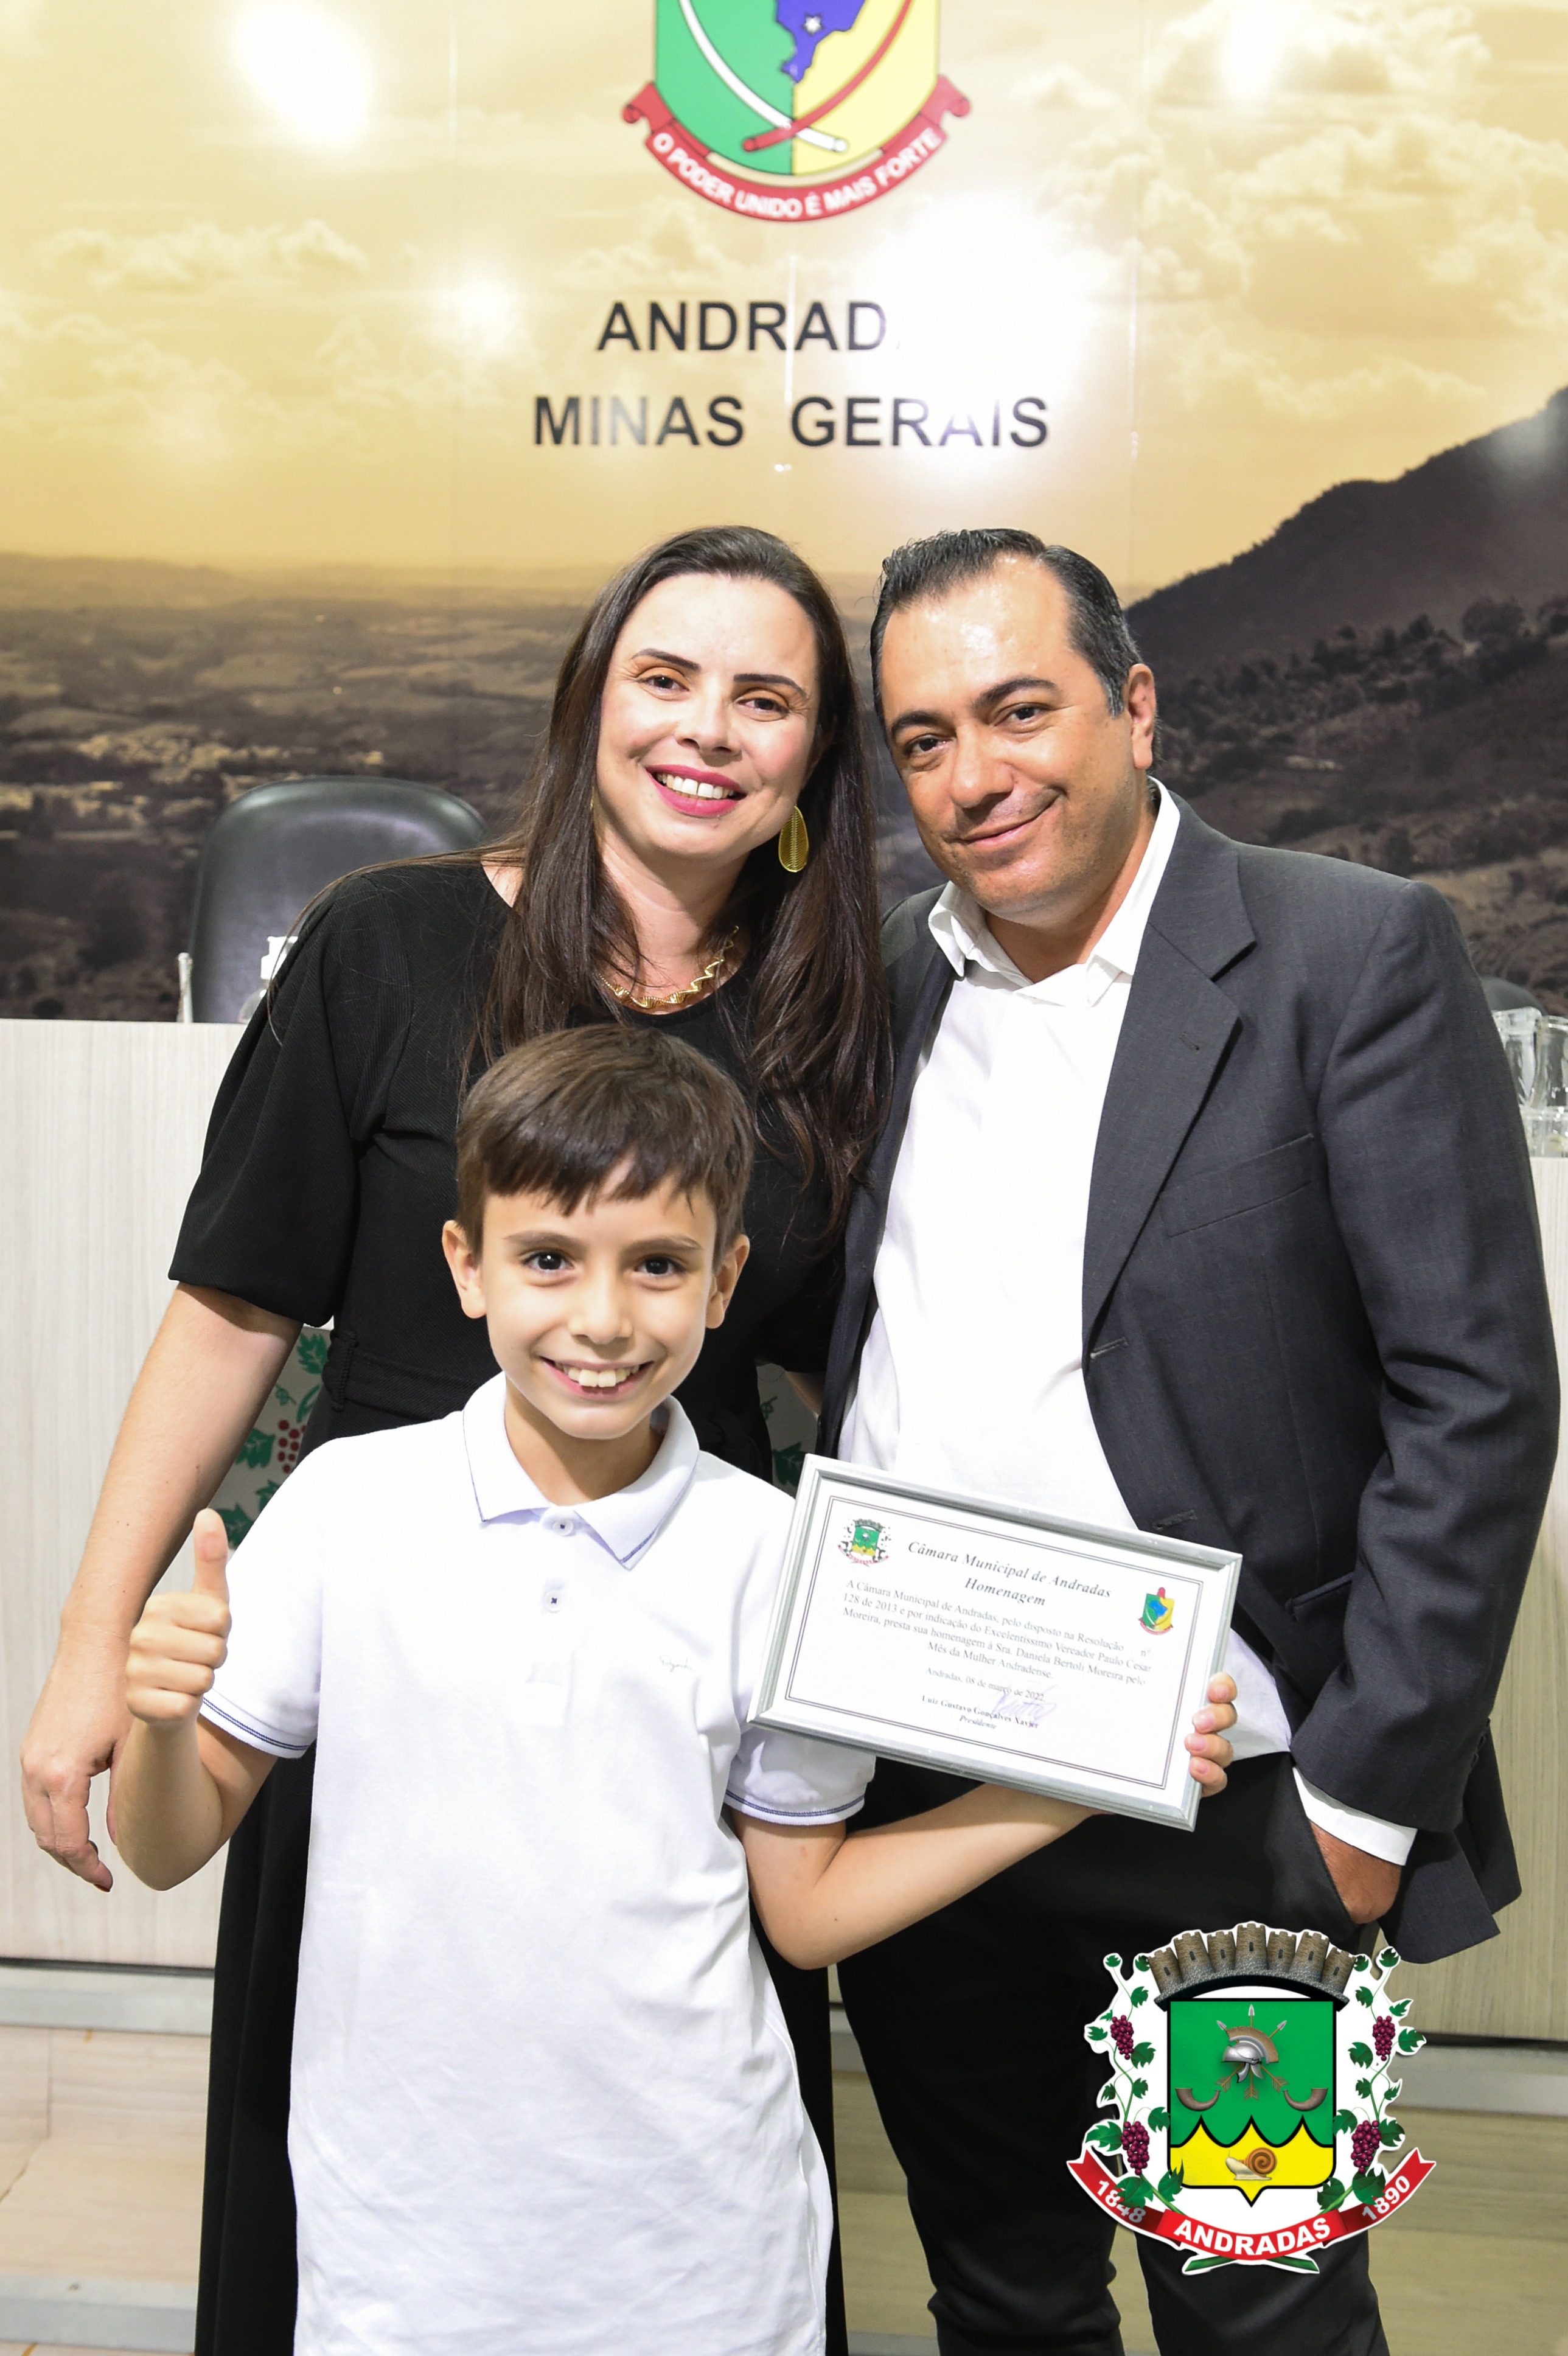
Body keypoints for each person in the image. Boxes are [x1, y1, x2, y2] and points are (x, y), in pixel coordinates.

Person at [21, 526, 890, 2355]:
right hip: (381, 1656)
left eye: (765, 699)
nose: (706, 729)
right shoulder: (388, 941)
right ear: (590, 701)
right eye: (664, 679)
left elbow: (867, 1366)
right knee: (363, 2175)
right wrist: (100, 1645)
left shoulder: (838, 1014)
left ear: (815, 760)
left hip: (675, 1668)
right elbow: (232, 1312)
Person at [111, 1026, 1239, 2356]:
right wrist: (160, 1723)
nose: (602, 1318)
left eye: (656, 1264)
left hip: (700, 2248)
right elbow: (164, 1846)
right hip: (401, 2246)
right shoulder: (347, 1506)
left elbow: (806, 1913)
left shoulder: (778, 1555)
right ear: (465, 1266)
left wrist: (1081, 1779)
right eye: (547, 1259)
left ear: (724, 1281)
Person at [818, 528, 1558, 2356]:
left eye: (1019, 711)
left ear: (1136, 707)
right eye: (923, 740)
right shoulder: (893, 985)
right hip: (930, 1804)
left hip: (1233, 1830)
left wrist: (1354, 1819)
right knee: (1002, 2301)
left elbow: (1475, 1396)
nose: (973, 776)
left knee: (1265, 2327)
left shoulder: (1347, 951)